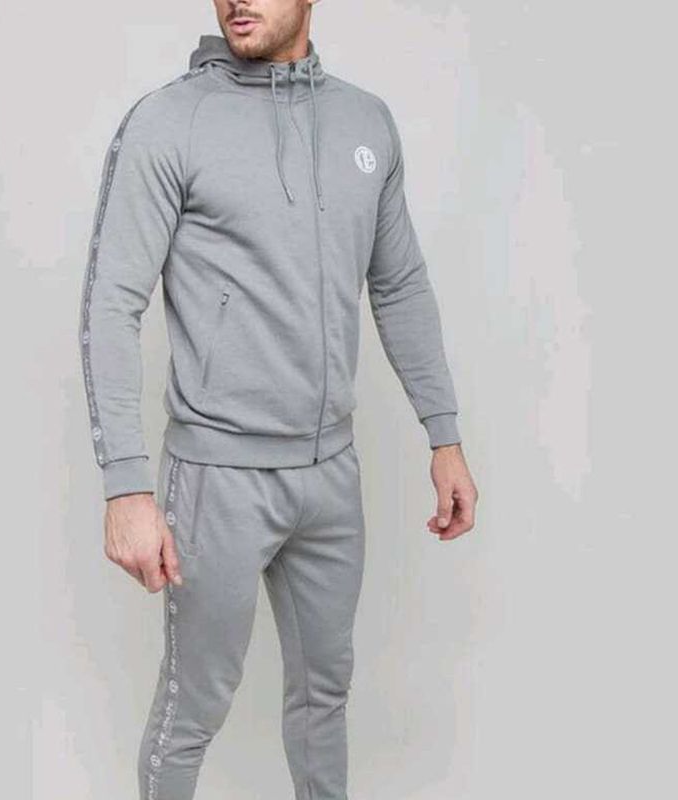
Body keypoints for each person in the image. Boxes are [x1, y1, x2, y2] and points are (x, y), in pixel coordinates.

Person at [78, 1, 479, 797]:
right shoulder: (170, 123)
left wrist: (444, 435)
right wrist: (126, 486)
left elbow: (399, 284)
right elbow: (110, 304)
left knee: (324, 698)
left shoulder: (366, 123)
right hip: (217, 479)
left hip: (331, 475)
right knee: (192, 710)